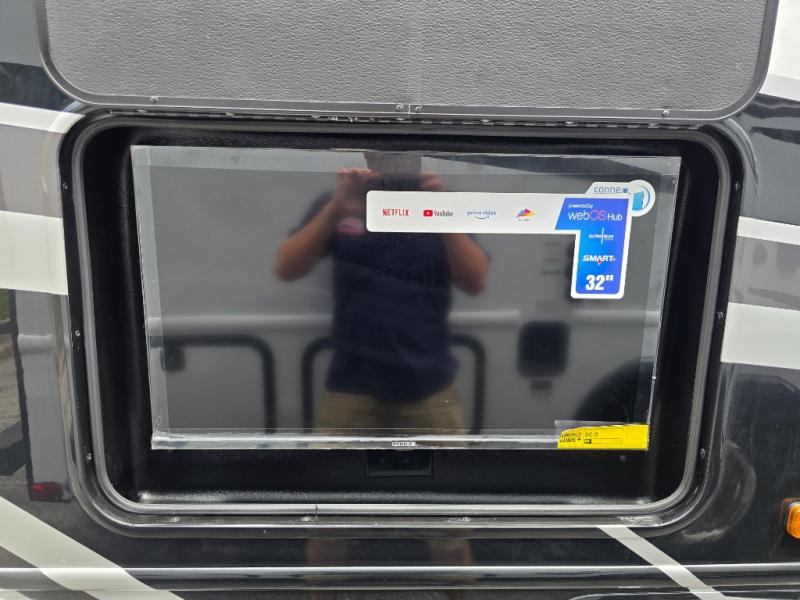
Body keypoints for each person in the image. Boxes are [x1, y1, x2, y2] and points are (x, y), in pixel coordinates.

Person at [273, 154, 489, 434]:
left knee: (441, 464)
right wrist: (335, 209)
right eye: (384, 155)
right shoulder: (341, 201)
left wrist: (441, 211)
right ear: (369, 157)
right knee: (334, 464)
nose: (393, 166)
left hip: (430, 387)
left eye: (402, 156)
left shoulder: (442, 203)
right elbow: (286, 268)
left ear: (419, 159)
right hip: (350, 386)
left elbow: (475, 281)